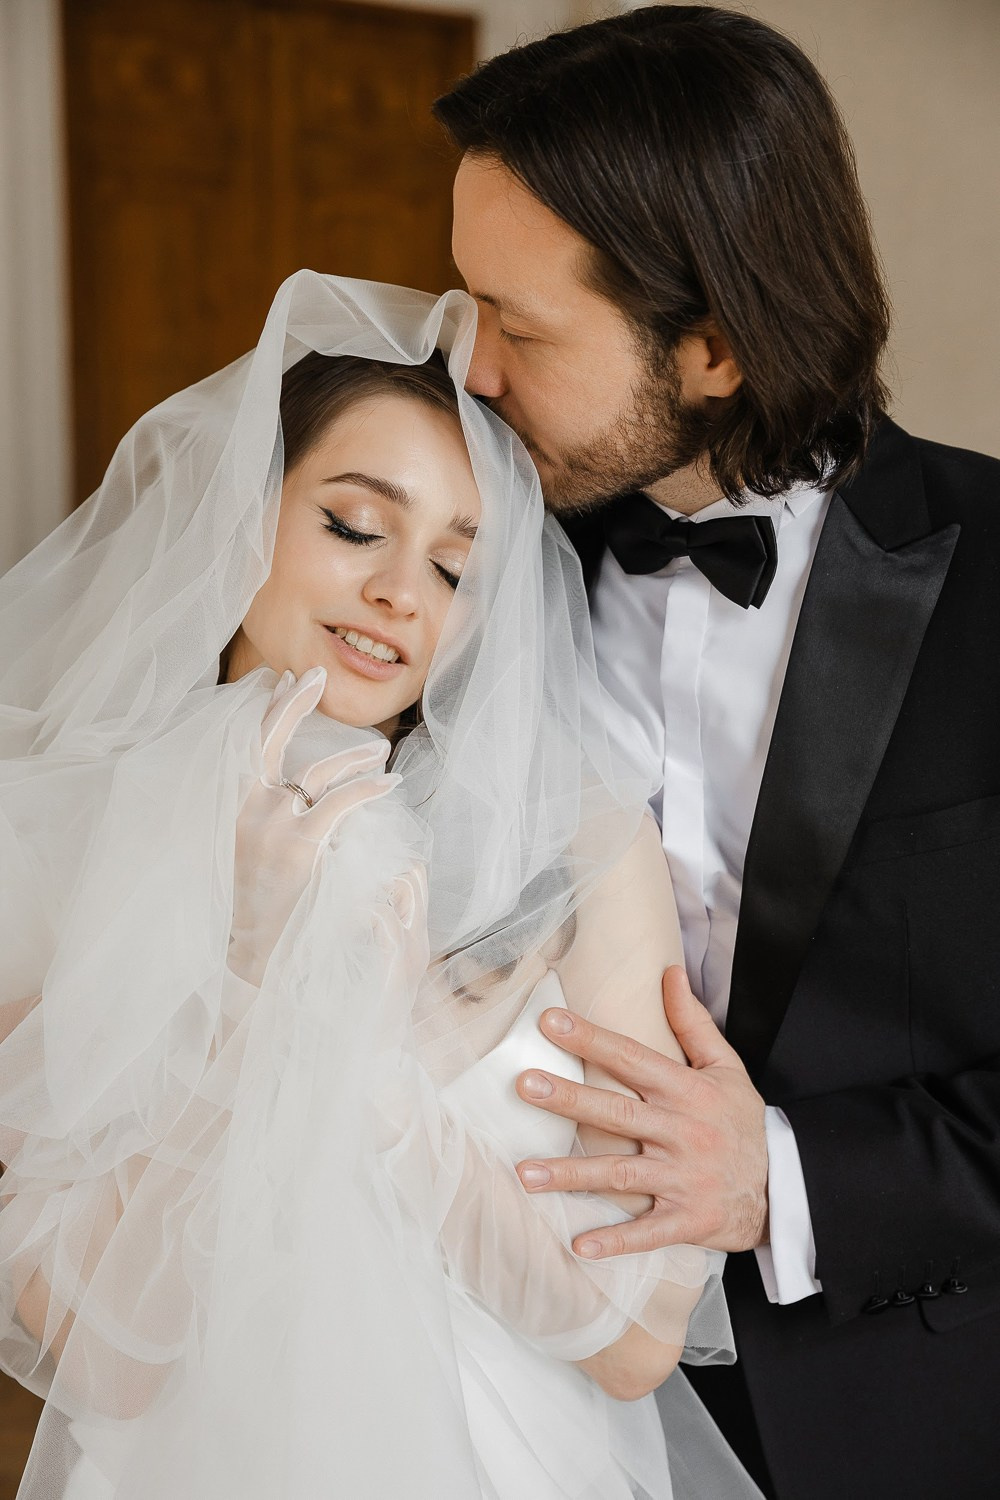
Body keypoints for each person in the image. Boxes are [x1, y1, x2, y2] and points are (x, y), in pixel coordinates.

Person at [0, 272, 760, 1498]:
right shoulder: (57, 835)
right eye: (355, 527)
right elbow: (104, 1356)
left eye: (458, 570)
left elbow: (631, 1346)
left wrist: (384, 1086)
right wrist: (250, 985)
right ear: (242, 507)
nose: (402, 594)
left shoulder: (575, 847)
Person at [432, 6, 1000, 1498]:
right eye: (465, 307)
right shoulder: (464, 563)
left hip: (914, 1420)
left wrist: (781, 1180)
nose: (471, 374)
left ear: (716, 347)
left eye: (520, 329)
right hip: (510, 1400)